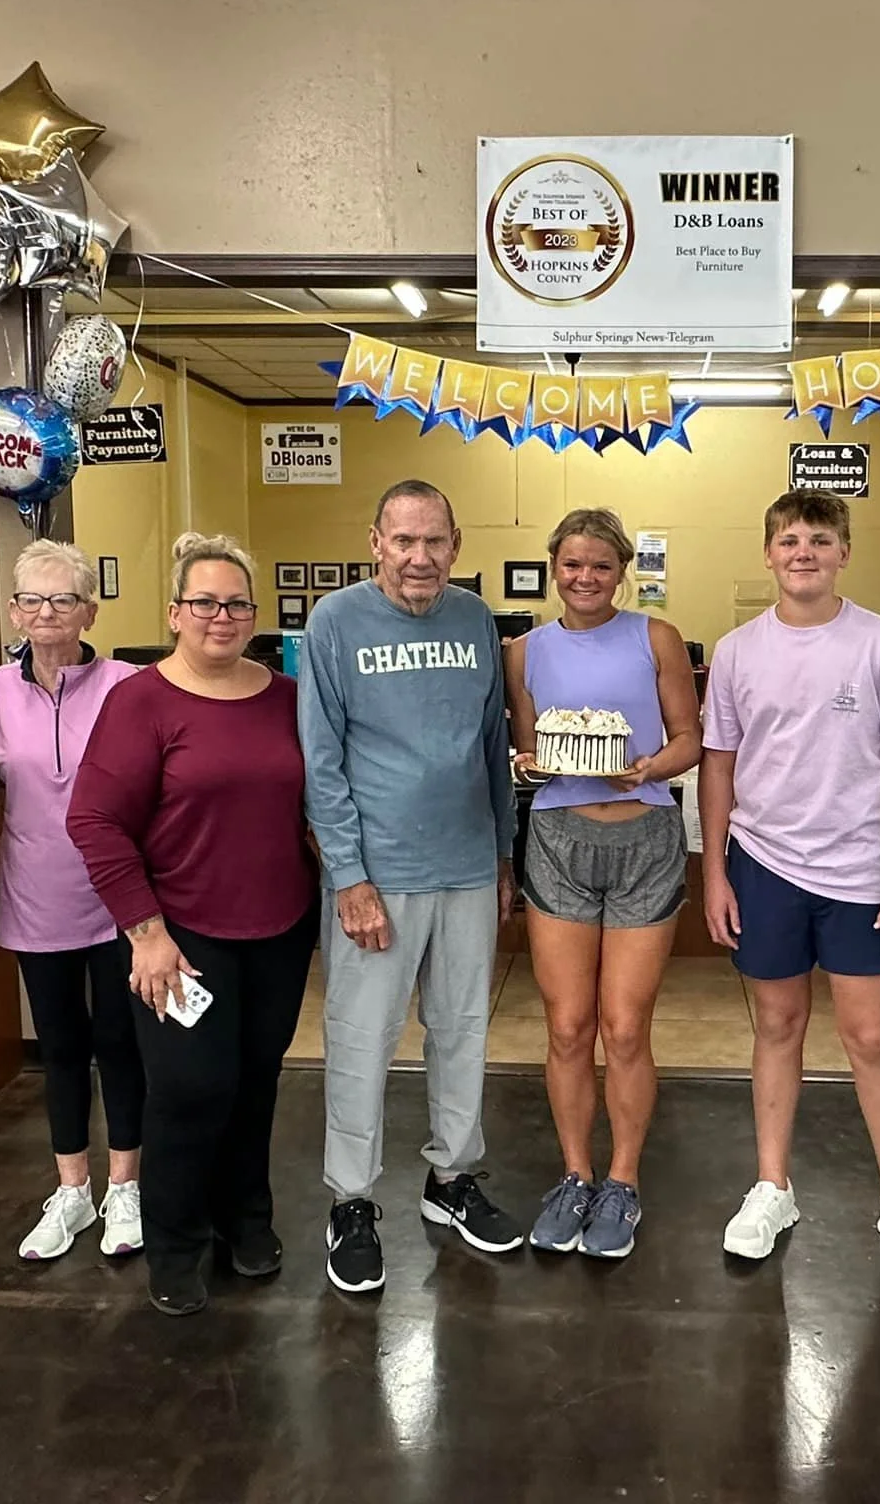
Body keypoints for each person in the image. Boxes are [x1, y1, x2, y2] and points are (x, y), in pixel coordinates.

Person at [67, 533, 319, 1317]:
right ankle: (176, 1241)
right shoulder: (140, 701)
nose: (222, 615)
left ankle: (245, 1221)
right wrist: (144, 932)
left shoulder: (285, 697)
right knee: (188, 1089)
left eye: (237, 603)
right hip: (178, 936)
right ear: (175, 612)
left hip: (278, 928)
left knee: (255, 1081)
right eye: (204, 602)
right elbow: (96, 821)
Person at [701, 489, 880, 1285]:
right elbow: (720, 765)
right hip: (764, 864)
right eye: (788, 540)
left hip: (859, 870)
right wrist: (712, 870)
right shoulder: (738, 651)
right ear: (767, 553)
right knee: (778, 1025)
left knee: (871, 1037)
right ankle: (772, 1186)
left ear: (844, 551)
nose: (802, 551)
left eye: (818, 538)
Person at [300, 479, 522, 1294]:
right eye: (404, 541)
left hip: (467, 868)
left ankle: (452, 1179)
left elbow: (491, 748)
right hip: (378, 877)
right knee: (362, 1039)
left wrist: (502, 856)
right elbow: (321, 761)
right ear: (376, 541)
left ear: (456, 546)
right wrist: (349, 877)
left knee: (462, 1029)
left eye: (435, 542)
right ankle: (352, 1200)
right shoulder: (335, 623)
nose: (420, 558)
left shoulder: (475, 621)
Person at [507, 508, 702, 1258]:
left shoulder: (656, 637)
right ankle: (574, 1174)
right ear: (554, 567)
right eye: (572, 564)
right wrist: (530, 765)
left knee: (624, 1028)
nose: (585, 577)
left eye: (600, 565)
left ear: (622, 571)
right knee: (566, 1026)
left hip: (645, 837)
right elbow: (532, 750)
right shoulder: (523, 653)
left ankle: (622, 1180)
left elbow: (689, 739)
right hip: (559, 839)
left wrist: (648, 767)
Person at [0, 540, 144, 1263]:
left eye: (63, 600)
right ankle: (72, 1190)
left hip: (116, 898)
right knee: (61, 1048)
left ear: (90, 609)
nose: (46, 614)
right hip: (34, 894)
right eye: (32, 600)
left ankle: (125, 1188)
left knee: (121, 1043)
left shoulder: (129, 686)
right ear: (15, 611)